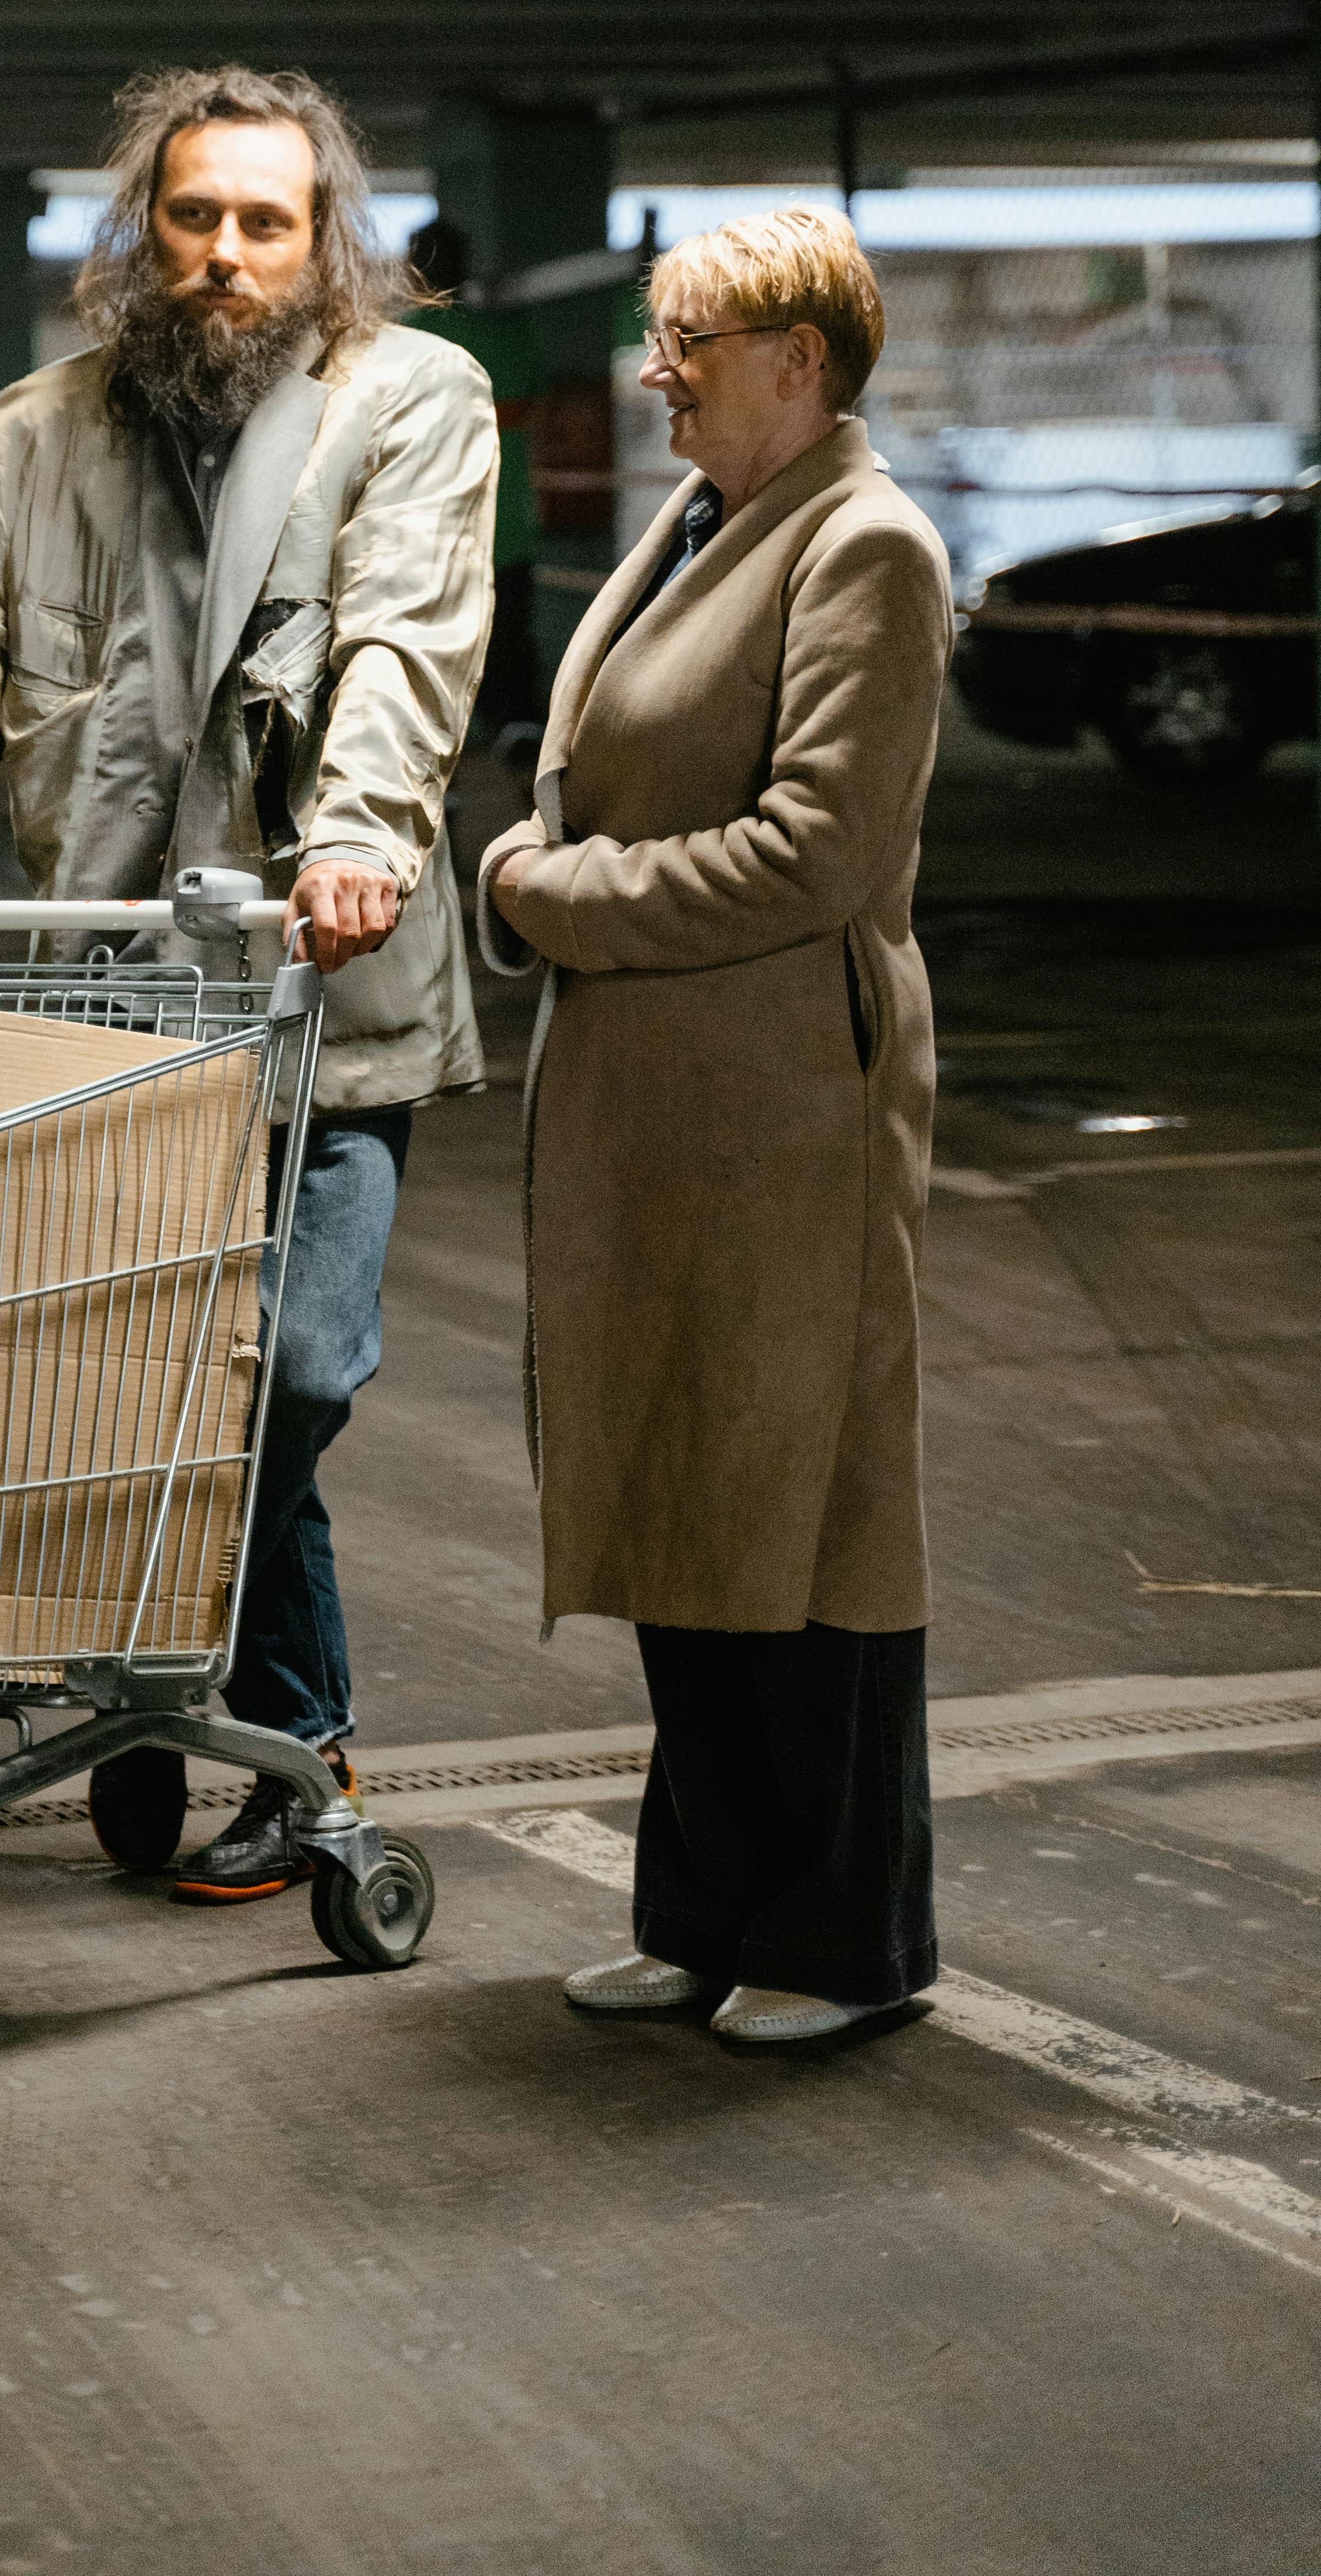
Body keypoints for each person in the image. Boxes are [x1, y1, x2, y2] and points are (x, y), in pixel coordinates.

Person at [0, 67, 499, 1900]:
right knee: (128, 1377)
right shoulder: (30, 432)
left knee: (293, 1378)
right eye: (196, 217)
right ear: (140, 228)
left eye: (267, 220)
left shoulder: (413, 402)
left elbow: (408, 638)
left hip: (324, 986)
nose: (229, 256)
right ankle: (234, 1726)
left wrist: (362, 836)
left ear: (326, 237)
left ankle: (230, 1704)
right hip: (106, 997)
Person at [479, 203, 951, 2045]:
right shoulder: (708, 528)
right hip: (665, 1112)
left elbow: (815, 854)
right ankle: (704, 1913)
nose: (653, 371)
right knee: (690, 1494)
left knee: (809, 1518)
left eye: (688, 340)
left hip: (785, 1116)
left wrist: (551, 897)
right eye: (658, 336)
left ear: (801, 359)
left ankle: (841, 1940)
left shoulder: (869, 548)